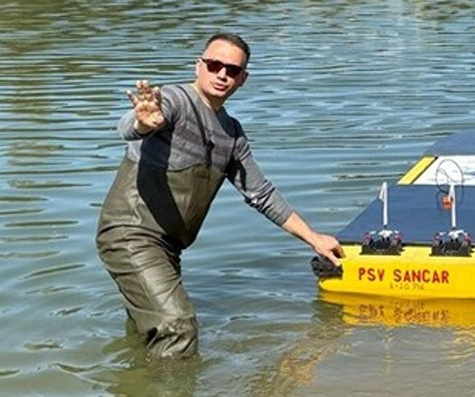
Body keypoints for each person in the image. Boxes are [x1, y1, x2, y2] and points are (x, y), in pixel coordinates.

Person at [96, 32, 343, 358]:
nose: (222, 74)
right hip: (130, 235)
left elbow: (262, 194)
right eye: (214, 65)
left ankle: (135, 386)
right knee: (177, 327)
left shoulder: (232, 135)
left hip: (168, 247)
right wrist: (144, 124)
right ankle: (172, 392)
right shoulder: (174, 101)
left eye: (233, 70)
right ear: (198, 66)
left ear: (243, 79)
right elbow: (131, 125)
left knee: (148, 329)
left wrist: (314, 239)